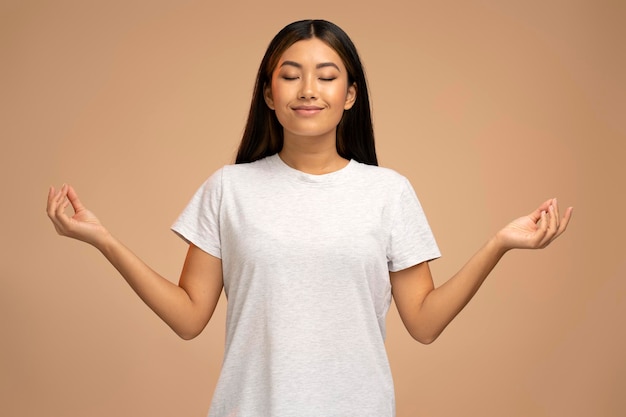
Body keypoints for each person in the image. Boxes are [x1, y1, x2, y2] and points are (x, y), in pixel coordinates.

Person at [46, 19, 572, 417]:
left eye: (326, 76)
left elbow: (425, 323)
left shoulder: (388, 192)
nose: (307, 89)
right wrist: (105, 241)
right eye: (290, 75)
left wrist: (499, 244)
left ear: (349, 96)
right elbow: (188, 318)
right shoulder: (230, 189)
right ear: (269, 94)